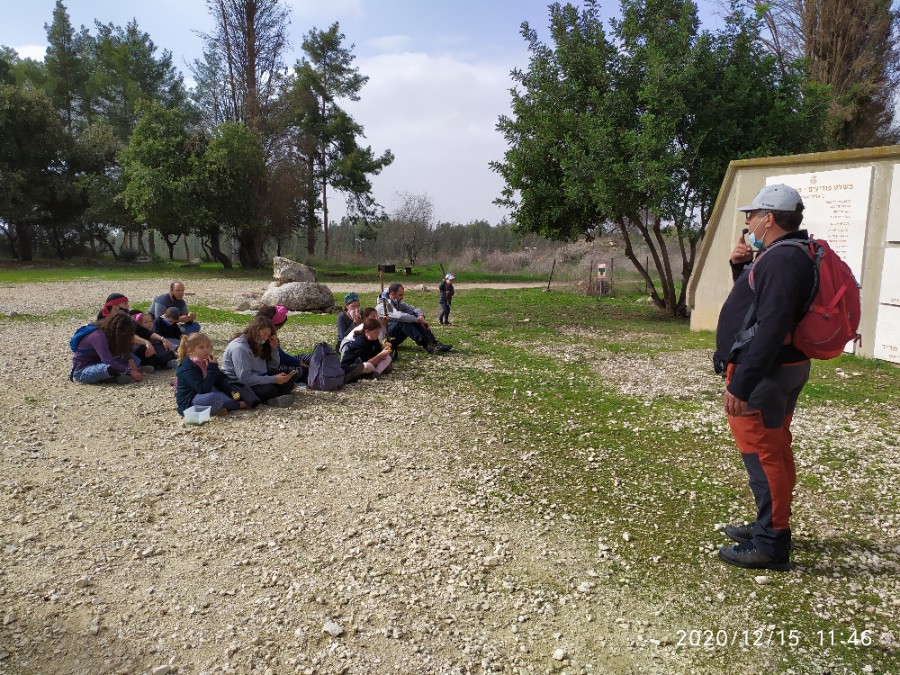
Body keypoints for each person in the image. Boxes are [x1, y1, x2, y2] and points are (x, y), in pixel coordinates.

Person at [714, 184, 816, 571]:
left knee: (764, 456)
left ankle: (771, 542)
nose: (747, 221)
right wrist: (741, 268)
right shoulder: (786, 254)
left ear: (769, 218)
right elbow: (758, 308)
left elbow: (771, 327)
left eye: (752, 215)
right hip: (784, 368)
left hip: (768, 374)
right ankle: (768, 524)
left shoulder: (780, 260)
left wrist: (742, 383)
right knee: (775, 449)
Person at [221, 315, 296, 407]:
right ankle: (272, 398)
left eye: (268, 336)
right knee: (270, 390)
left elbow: (273, 366)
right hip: (239, 383)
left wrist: (274, 349)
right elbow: (245, 378)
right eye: (263, 334)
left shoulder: (259, 343)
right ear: (255, 330)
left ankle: (275, 397)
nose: (265, 338)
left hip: (258, 376)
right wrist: (274, 379)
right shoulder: (240, 348)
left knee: (288, 374)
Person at [175, 332, 249, 417]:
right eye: (201, 347)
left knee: (230, 392)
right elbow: (203, 389)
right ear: (191, 350)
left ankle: (217, 409)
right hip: (190, 401)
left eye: (207, 346)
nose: (206, 350)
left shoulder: (206, 360)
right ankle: (236, 405)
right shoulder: (187, 367)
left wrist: (230, 391)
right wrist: (212, 368)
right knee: (214, 397)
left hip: (208, 392)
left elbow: (219, 380)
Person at [71, 312, 150, 384]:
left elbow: (123, 351)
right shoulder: (98, 336)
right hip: (82, 371)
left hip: (99, 362)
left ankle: (126, 372)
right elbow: (108, 360)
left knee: (127, 357)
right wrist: (130, 371)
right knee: (111, 367)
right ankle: (115, 378)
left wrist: (130, 360)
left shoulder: (109, 334)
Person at [375, 283, 452, 354]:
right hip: (386, 336)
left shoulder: (396, 302)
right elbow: (399, 316)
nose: (402, 297)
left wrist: (420, 316)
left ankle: (434, 343)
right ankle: (425, 344)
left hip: (395, 332)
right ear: (392, 294)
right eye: (400, 295)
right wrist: (417, 320)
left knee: (412, 315)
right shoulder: (384, 305)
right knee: (403, 321)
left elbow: (413, 309)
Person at [256, 304, 312, 383]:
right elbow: (281, 358)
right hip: (269, 369)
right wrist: (299, 363)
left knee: (307, 358)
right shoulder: (266, 338)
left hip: (276, 363)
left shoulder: (265, 333)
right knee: (299, 371)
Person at [340, 317, 394, 382]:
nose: (378, 334)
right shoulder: (360, 342)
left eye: (379, 332)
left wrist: (384, 349)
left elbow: (377, 352)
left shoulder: (374, 339)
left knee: (388, 358)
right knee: (367, 366)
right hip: (352, 366)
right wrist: (380, 355)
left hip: (369, 363)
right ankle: (354, 375)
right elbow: (366, 362)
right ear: (367, 331)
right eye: (376, 332)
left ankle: (375, 373)